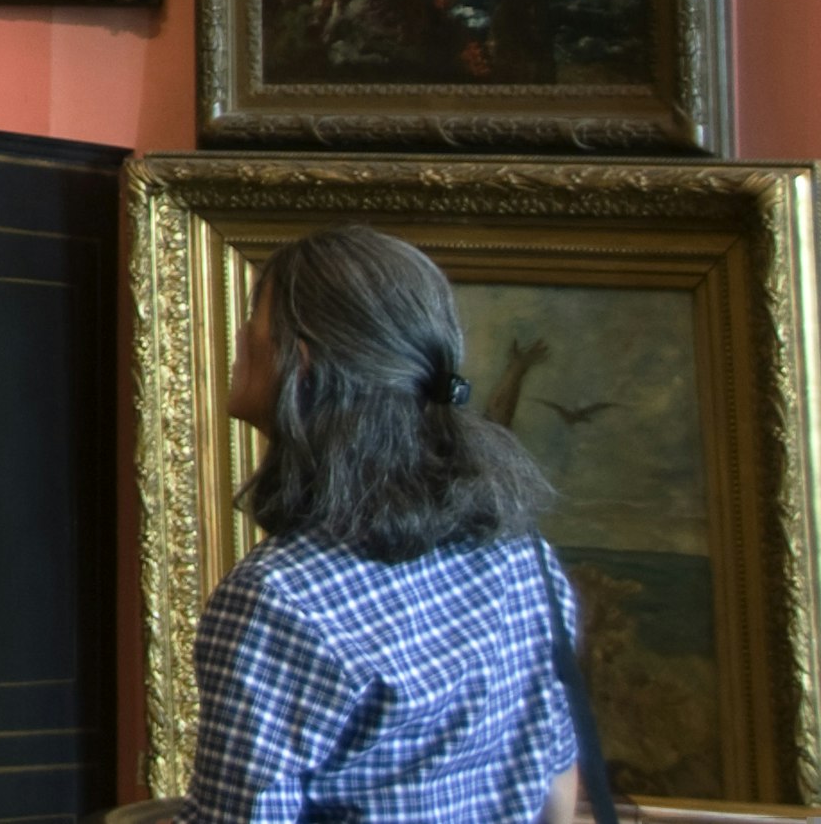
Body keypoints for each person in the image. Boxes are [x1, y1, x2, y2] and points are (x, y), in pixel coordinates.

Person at [181, 225, 594, 823]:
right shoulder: (521, 554)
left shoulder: (280, 600)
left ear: (300, 365)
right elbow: (555, 790)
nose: (242, 336)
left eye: (255, 318)